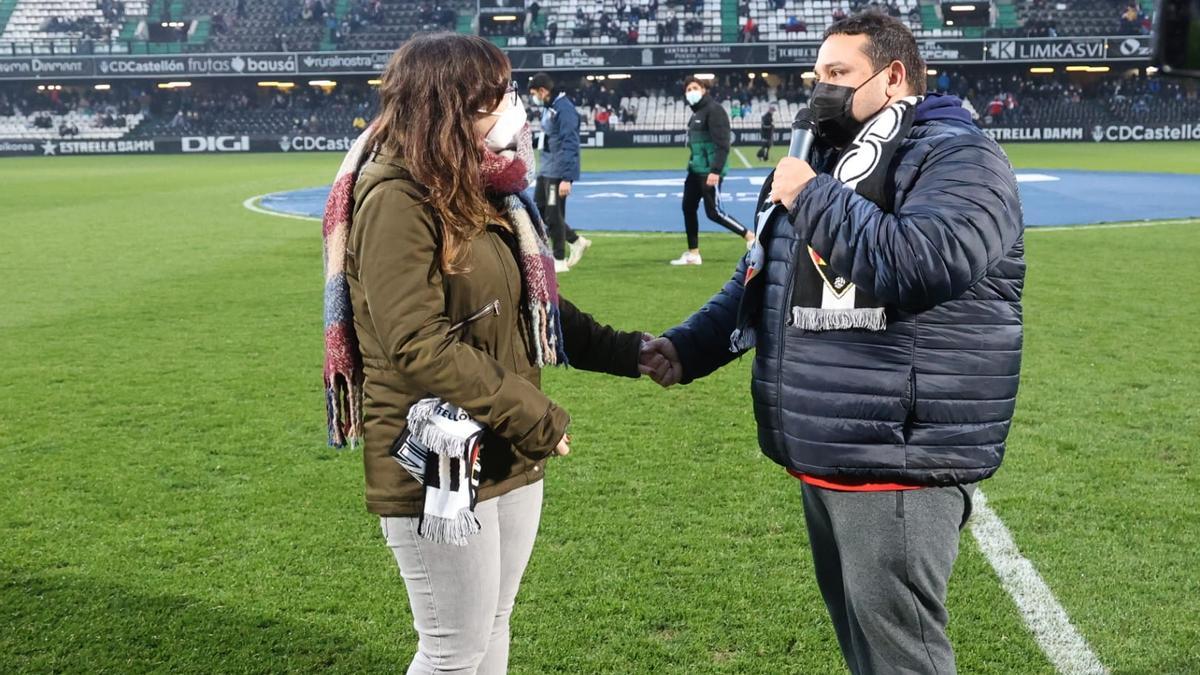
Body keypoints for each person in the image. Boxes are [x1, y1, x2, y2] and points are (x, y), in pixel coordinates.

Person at [643, 13, 1024, 674]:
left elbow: (922, 263)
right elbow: (765, 275)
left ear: (894, 75)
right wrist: (689, 347)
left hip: (898, 456)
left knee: (904, 659)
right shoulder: (824, 155)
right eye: (817, 75)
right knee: (867, 654)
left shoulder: (959, 154)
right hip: (828, 449)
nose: (819, 90)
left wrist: (812, 193)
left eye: (838, 75)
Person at [321, 33, 667, 675]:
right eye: (494, 98)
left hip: (501, 444)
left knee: (492, 628)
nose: (512, 110)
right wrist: (534, 413)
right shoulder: (397, 197)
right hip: (437, 454)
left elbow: (526, 305)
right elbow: (416, 343)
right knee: (452, 648)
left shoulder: (482, 185)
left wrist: (632, 353)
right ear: (447, 108)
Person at [671, 76, 752, 266]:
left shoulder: (714, 110)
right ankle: (694, 254)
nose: (691, 91)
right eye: (688, 89)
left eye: (694, 87)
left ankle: (750, 237)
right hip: (695, 170)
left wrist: (715, 170)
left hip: (709, 171)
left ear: (704, 89)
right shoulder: (696, 113)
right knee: (688, 207)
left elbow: (723, 144)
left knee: (714, 212)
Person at [528, 72, 592, 271]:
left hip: (557, 172)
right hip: (546, 169)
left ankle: (559, 259)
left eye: (534, 94)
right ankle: (575, 240)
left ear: (543, 91)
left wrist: (567, 178)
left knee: (554, 214)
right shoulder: (551, 107)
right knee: (539, 210)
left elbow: (570, 143)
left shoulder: (564, 109)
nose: (533, 98)